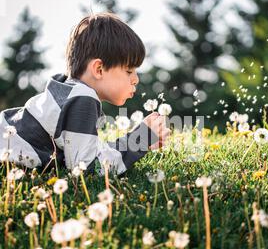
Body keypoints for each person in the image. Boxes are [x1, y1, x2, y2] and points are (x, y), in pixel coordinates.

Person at [0, 12, 171, 176]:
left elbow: (93, 152)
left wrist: (139, 139)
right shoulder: (82, 99)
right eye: (128, 71)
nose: (136, 80)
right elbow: (88, 168)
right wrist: (140, 139)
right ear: (99, 69)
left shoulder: (71, 93)